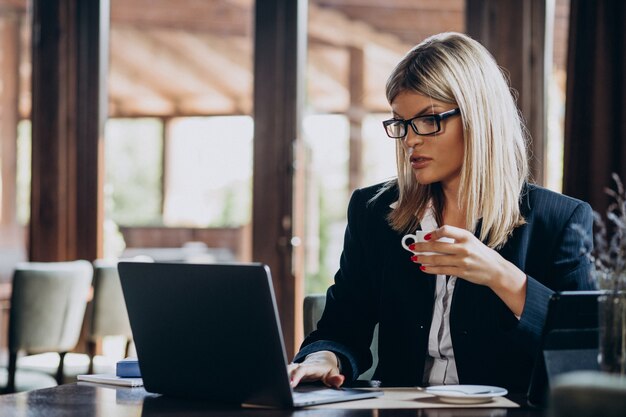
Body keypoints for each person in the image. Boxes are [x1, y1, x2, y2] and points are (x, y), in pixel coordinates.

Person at [288, 32, 594, 393]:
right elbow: (342, 326)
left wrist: (501, 276)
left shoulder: (560, 220)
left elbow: (583, 354)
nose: (410, 140)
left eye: (429, 120)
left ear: (479, 119)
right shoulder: (373, 212)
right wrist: (324, 357)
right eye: (401, 123)